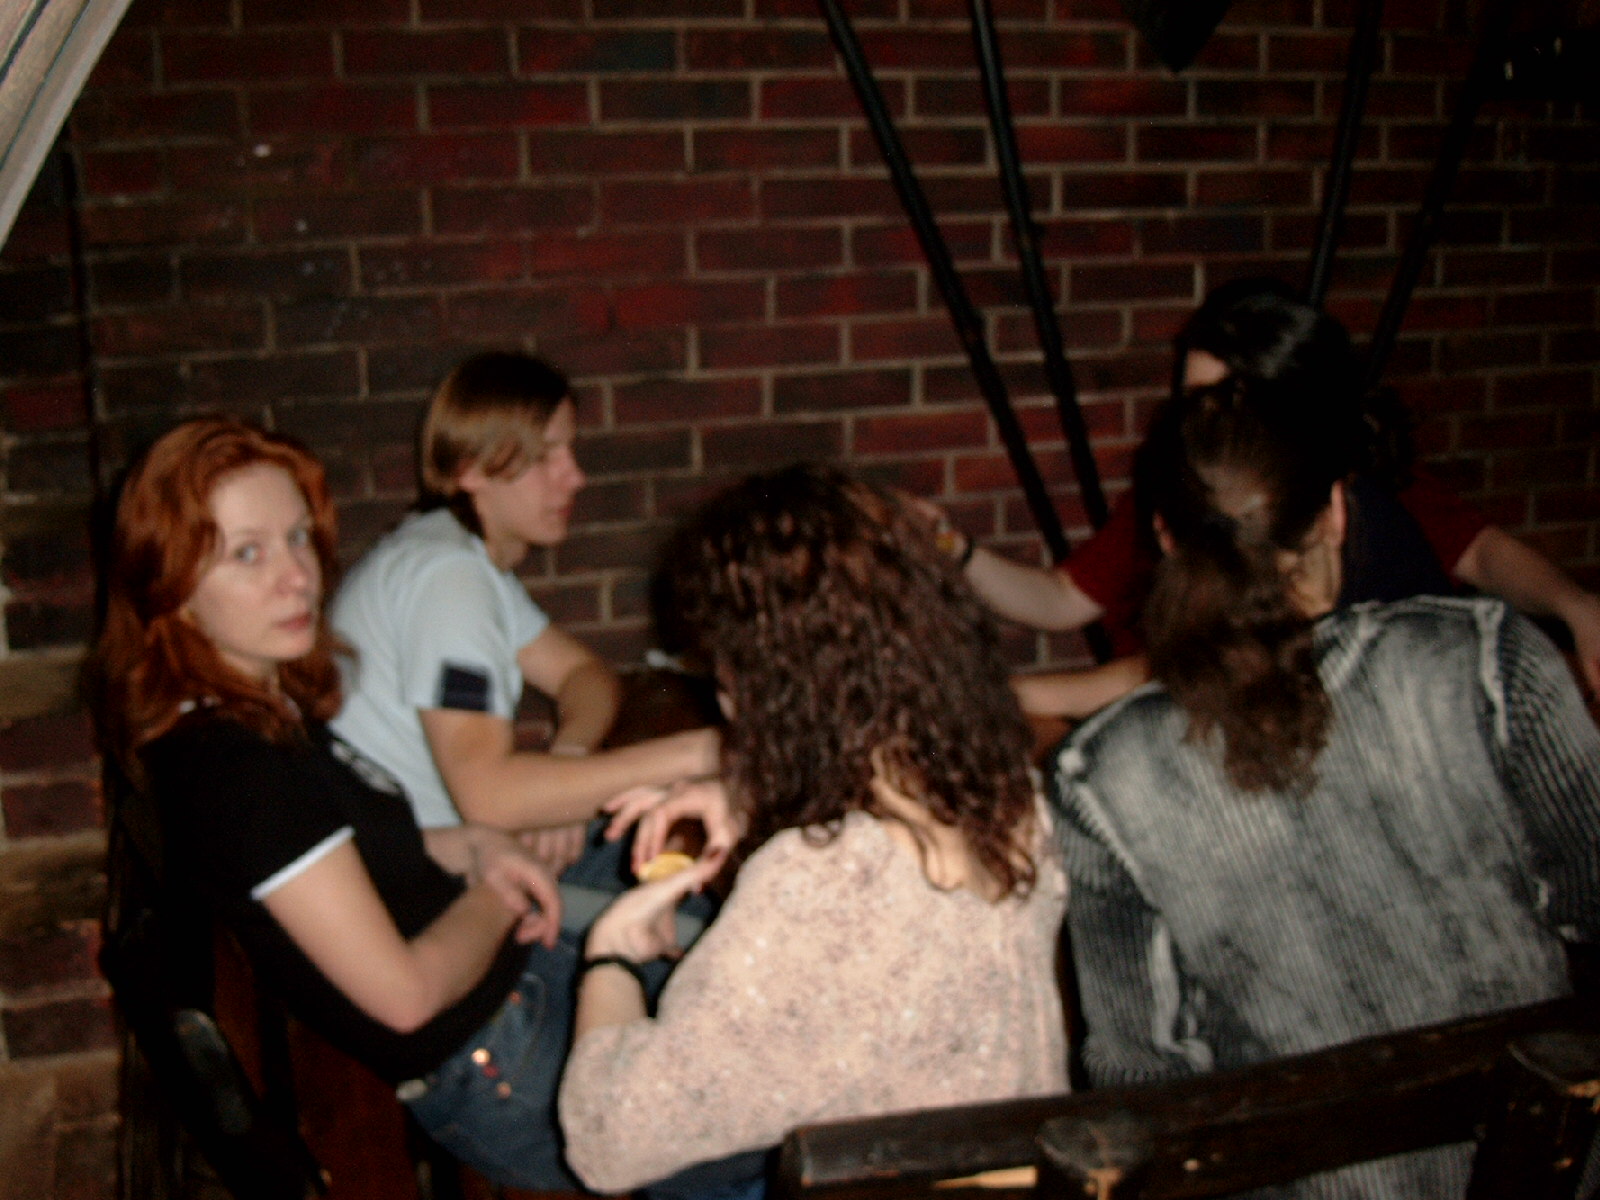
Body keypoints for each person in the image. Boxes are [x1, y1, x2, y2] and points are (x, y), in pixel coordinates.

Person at [1051, 378, 1600, 1197]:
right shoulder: (1483, 658)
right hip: (1544, 1169)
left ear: (1165, 538)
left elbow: (1144, 1078)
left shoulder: (1100, 774)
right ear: (1338, 511)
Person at [92, 418, 585, 1191]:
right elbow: (405, 997)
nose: (297, 577)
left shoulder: (257, 706)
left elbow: (355, 844)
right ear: (172, 586)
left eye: (298, 538)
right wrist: (501, 893)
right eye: (247, 554)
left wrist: (476, 845)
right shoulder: (234, 769)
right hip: (493, 1059)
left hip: (504, 991)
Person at [556, 464, 1070, 1197]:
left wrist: (611, 954)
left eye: (725, 670)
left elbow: (609, 1142)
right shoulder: (1010, 795)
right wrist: (741, 792)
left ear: (771, 681)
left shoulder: (821, 886)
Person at [935, 277, 1600, 715]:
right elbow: (1064, 598)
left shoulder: (1351, 512)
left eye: (1217, 404)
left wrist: (1577, 608)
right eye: (1188, 401)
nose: (1195, 423)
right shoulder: (1185, 480)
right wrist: (949, 546)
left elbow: (1221, 669)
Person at [329, 351, 719, 876]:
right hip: (431, 888)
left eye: (570, 449)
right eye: (544, 456)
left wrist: (567, 761)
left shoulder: (458, 556)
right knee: (694, 886)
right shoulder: (448, 579)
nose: (575, 477)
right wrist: (703, 753)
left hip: (457, 858)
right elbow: (490, 798)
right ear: (469, 469)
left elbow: (585, 675)